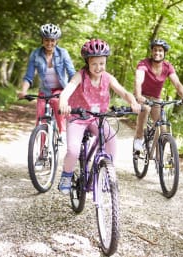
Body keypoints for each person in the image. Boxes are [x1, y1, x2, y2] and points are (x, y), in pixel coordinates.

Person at [58, 39, 141, 194]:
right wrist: (63, 103)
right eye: (94, 63)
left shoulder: (108, 78)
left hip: (97, 118)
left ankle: (106, 173)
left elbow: (123, 92)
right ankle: (67, 174)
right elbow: (67, 90)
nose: (98, 67)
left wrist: (133, 102)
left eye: (102, 63)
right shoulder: (80, 76)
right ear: (88, 63)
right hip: (78, 117)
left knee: (110, 138)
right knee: (73, 150)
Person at [18, 23, 75, 137]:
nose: (49, 43)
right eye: (46, 40)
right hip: (45, 91)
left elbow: (72, 73)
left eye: (52, 40)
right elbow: (29, 76)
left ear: (56, 40)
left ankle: (61, 135)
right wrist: (23, 91)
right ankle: (42, 149)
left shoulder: (63, 53)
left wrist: (72, 90)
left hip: (60, 90)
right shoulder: (35, 54)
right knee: (40, 118)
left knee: (59, 111)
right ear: (42, 40)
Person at [133, 39, 183, 151]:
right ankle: (138, 139)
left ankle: (159, 159)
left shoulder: (167, 67)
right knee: (144, 111)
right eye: (155, 50)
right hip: (143, 96)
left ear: (164, 53)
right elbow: (138, 80)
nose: (157, 53)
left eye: (160, 50)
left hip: (156, 99)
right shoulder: (144, 63)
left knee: (162, 128)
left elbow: (177, 83)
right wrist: (139, 96)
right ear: (151, 51)